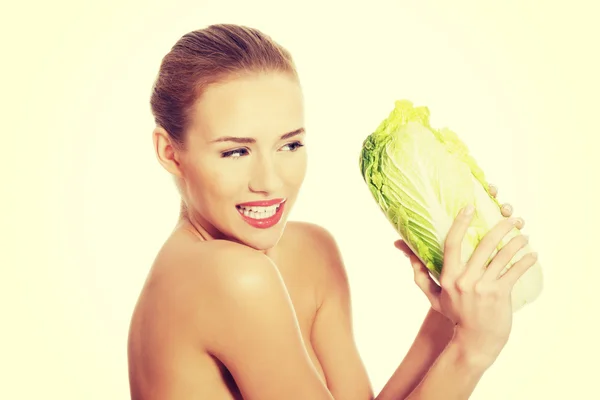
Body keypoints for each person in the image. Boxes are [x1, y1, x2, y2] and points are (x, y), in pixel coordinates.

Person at [127, 23, 537, 400]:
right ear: (170, 152)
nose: (270, 181)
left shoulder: (313, 250)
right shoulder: (229, 275)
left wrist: (450, 320)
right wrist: (473, 351)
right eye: (236, 151)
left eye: (290, 145)